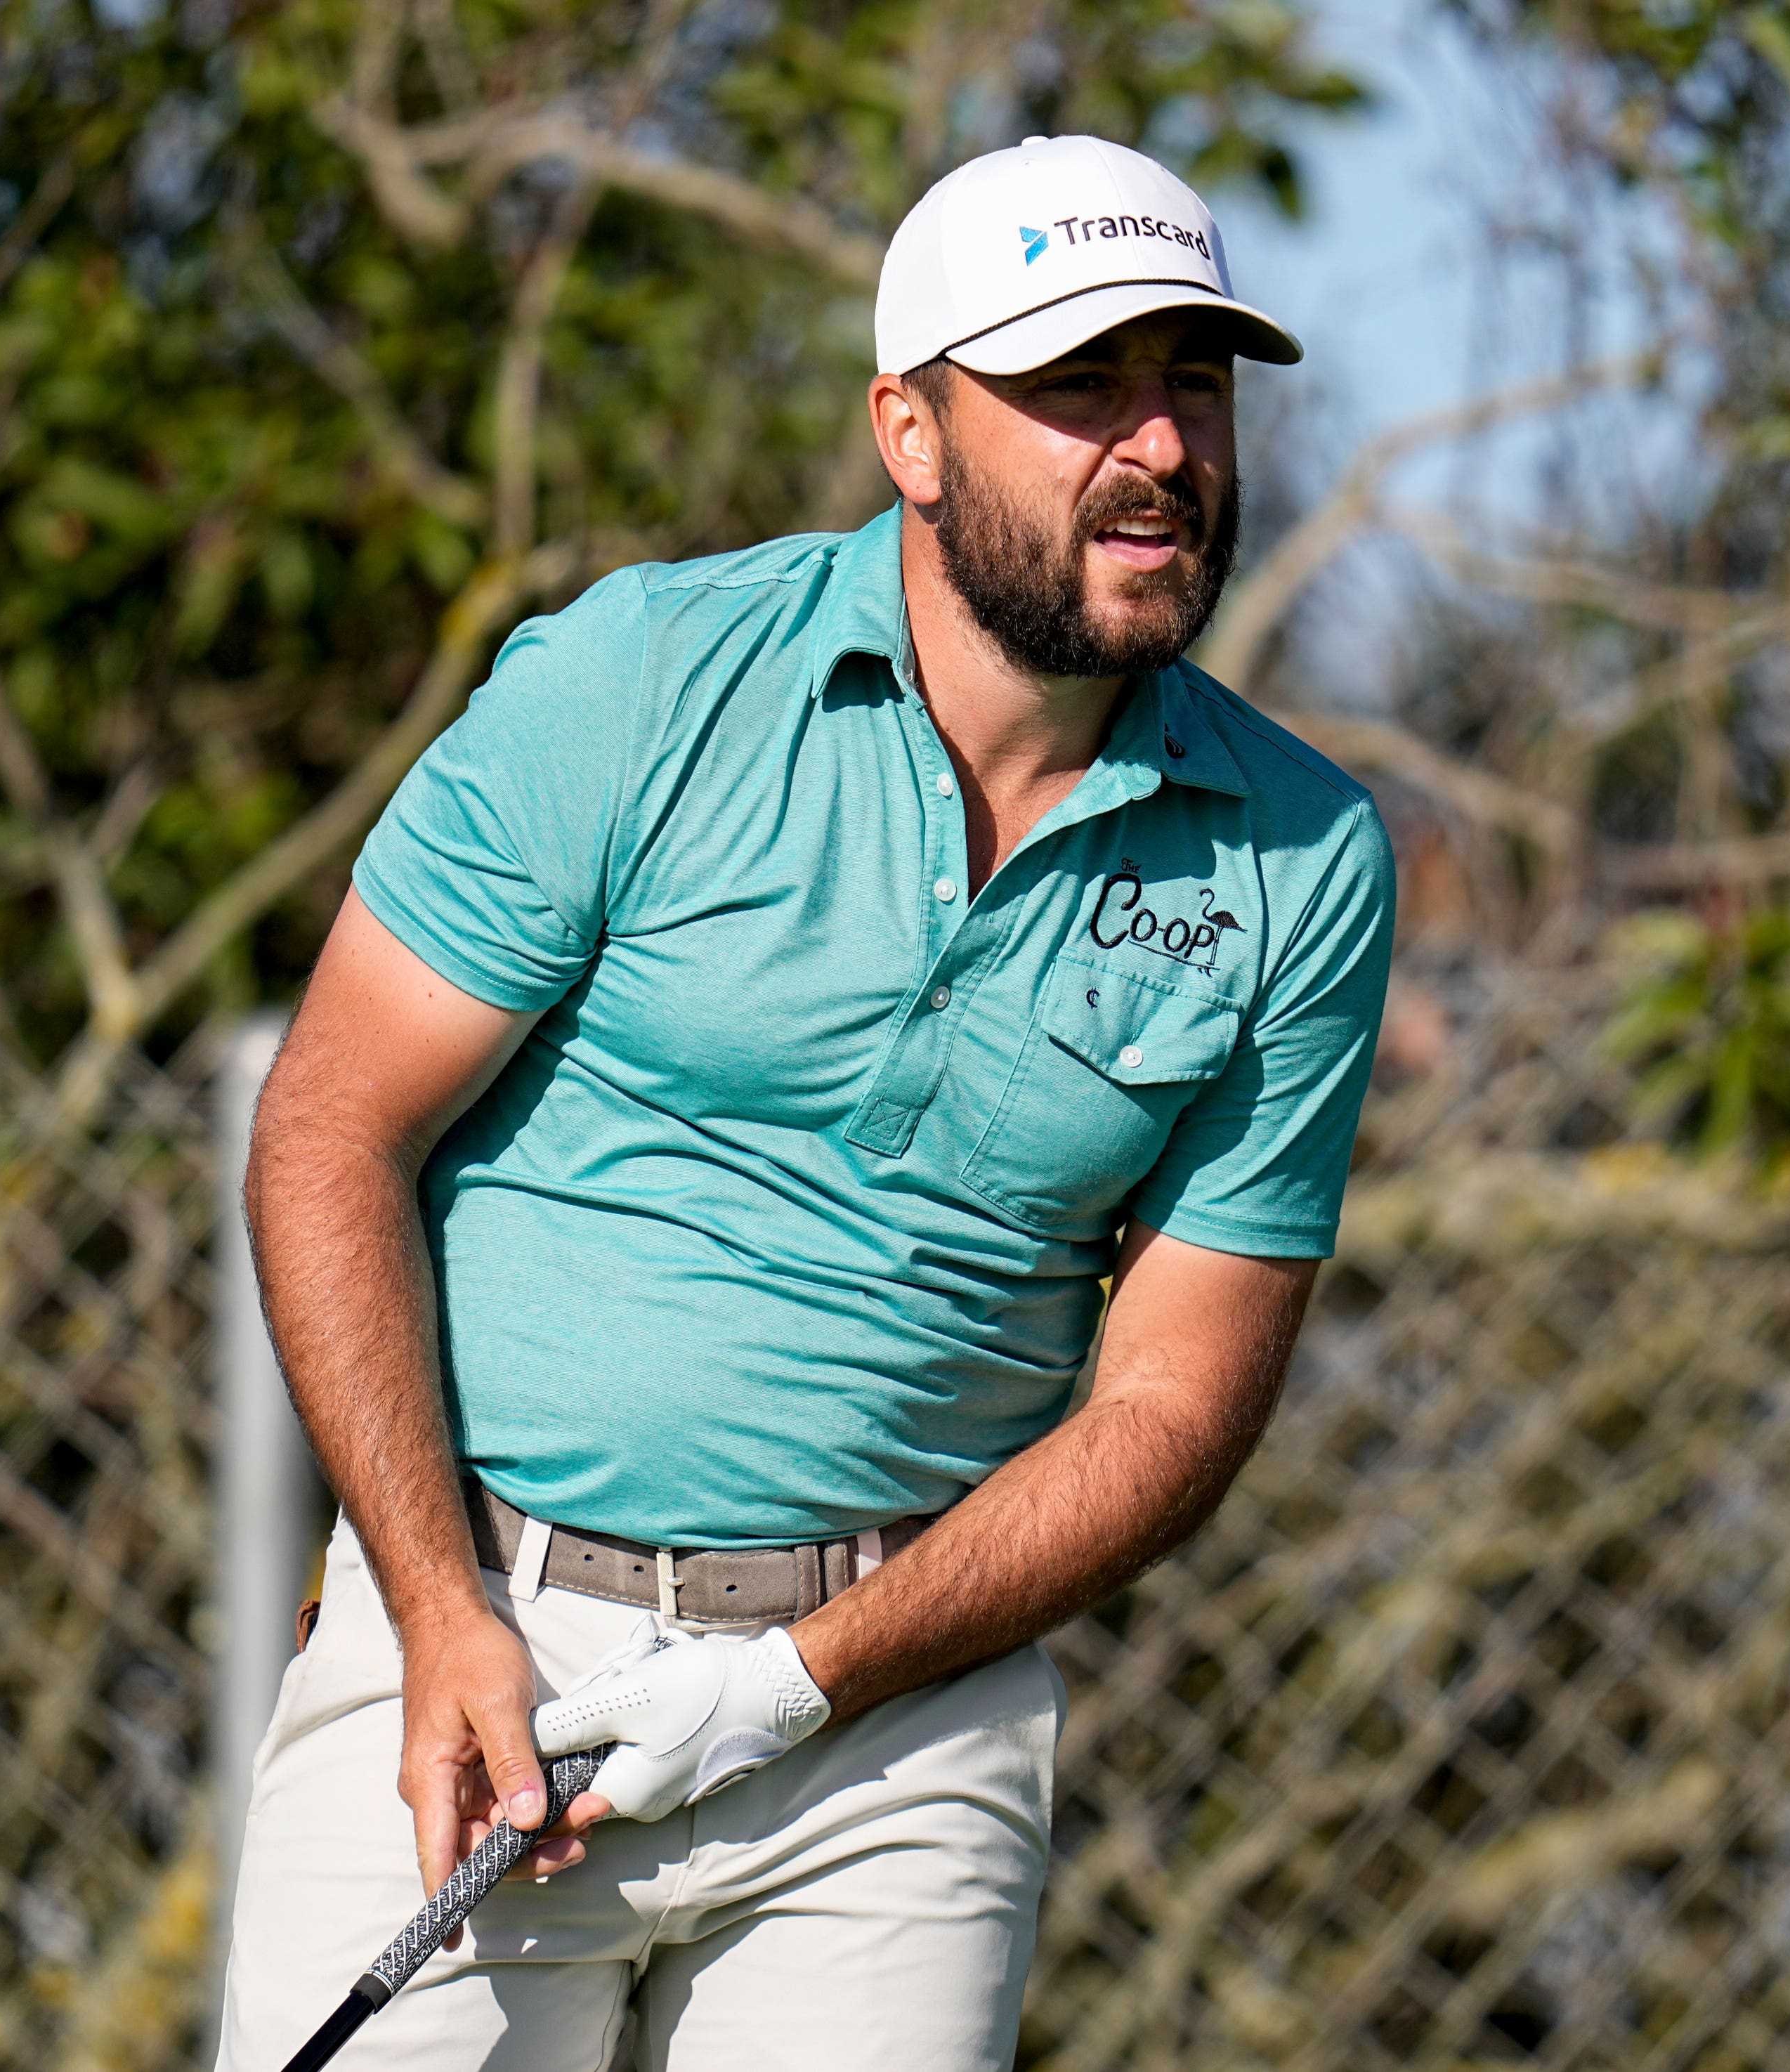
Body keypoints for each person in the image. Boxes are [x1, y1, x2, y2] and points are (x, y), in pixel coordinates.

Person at [213, 133, 1394, 2072]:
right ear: (909, 434)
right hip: (487, 1646)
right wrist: (436, 1611)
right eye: (1079, 385)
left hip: (894, 1724)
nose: (1164, 448)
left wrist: (799, 1685)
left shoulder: (1301, 856)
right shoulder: (642, 684)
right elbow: (332, 1128)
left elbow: (1179, 1399)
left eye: (1194, 380)